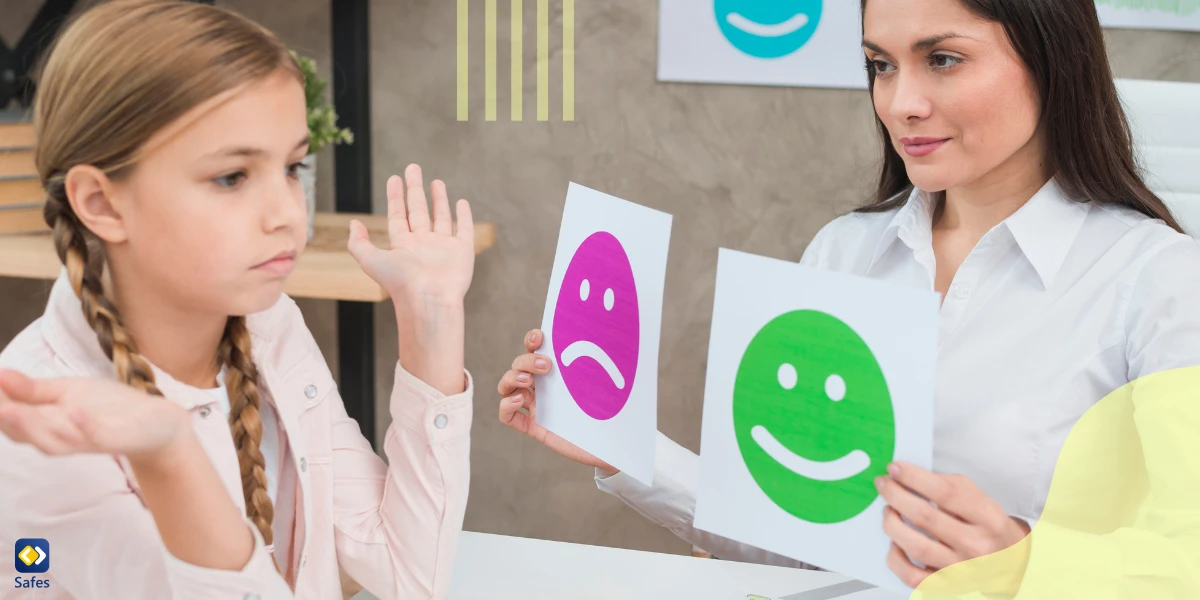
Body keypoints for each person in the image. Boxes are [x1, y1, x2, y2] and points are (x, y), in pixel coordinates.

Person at [498, 0, 1200, 591]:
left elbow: (1187, 563)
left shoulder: (1159, 282)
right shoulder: (844, 252)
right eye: (880, 65)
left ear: (1053, 60)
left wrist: (1024, 561)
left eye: (943, 59)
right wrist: (624, 452)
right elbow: (799, 536)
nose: (902, 103)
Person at [0, 2, 475, 599]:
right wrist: (174, 458)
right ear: (101, 203)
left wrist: (431, 316)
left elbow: (410, 574)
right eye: (231, 177)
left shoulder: (266, 323)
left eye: (292, 166)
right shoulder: (34, 434)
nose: (287, 214)